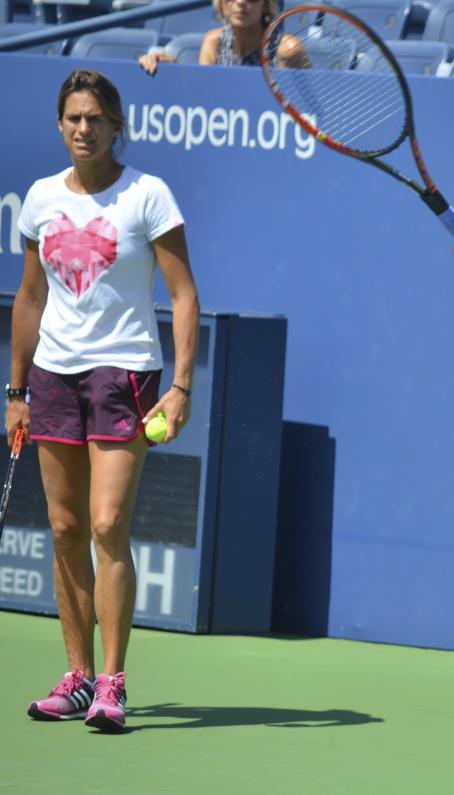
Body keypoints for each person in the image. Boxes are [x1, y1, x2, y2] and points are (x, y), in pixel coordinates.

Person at [14, 69, 200, 733]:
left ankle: (112, 683)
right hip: (52, 376)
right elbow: (30, 297)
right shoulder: (40, 198)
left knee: (106, 523)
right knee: (64, 528)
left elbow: (183, 294)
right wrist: (16, 390)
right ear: (60, 125)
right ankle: (77, 677)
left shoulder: (148, 195)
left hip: (124, 374)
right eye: (73, 117)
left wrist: (181, 386)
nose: (84, 128)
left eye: (96, 118)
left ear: (117, 126)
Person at [138, 0, 294, 74]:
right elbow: (205, 98)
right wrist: (171, 69)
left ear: (266, 4)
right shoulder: (213, 43)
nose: (240, 2)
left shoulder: (286, 50)